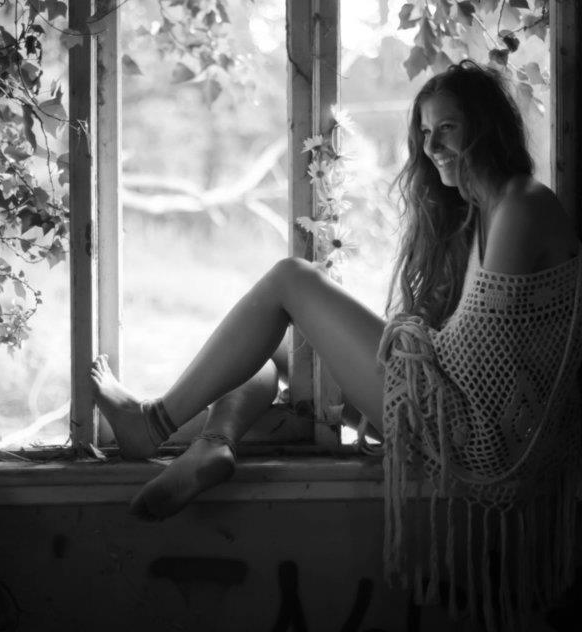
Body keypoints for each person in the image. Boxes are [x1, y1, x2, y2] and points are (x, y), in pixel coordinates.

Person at [92, 60, 582, 628]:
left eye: (447, 128)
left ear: (487, 125)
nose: (432, 147)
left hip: (470, 433)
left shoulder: (522, 205)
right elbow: (479, 352)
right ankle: (215, 443)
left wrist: (402, 350)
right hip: (452, 410)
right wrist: (395, 352)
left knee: (291, 279)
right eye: (424, 133)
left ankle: (151, 424)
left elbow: (483, 367)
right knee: (281, 347)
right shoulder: (481, 216)